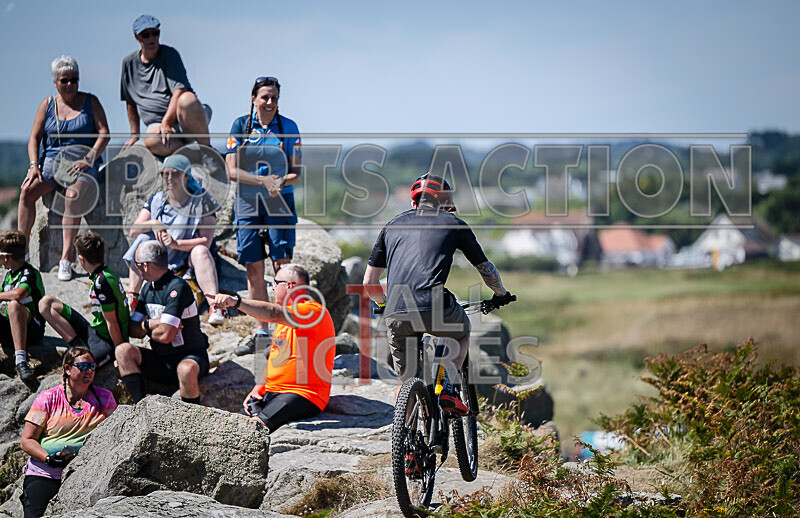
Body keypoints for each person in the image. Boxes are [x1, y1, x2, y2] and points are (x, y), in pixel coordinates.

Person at [363, 174, 514, 415]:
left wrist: (383, 303)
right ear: (445, 204)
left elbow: (369, 282)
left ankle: (406, 442)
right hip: (433, 304)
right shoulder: (454, 223)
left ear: (414, 203)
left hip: (396, 312)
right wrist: (501, 294)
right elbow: (485, 269)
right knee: (461, 332)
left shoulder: (390, 226)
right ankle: (447, 387)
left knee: (405, 382)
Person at [225, 76, 301, 353]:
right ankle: (261, 333)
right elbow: (231, 170)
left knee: (283, 269)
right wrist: (262, 182)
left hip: (280, 203)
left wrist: (279, 182)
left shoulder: (288, 127)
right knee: (253, 267)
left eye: (274, 98)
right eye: (265, 97)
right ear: (254, 99)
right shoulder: (240, 125)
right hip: (247, 204)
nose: (270, 103)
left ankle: (285, 331)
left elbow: (297, 172)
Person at [211, 264, 335, 432]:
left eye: (276, 283)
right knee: (234, 427)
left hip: (302, 395)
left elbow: (273, 313)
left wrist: (236, 302)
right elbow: (277, 359)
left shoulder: (313, 311)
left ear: (290, 285)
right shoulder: (285, 321)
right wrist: (257, 390)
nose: (273, 287)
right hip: (273, 393)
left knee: (255, 429)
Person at [19, 55, 110, 281]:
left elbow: (104, 134)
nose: (70, 84)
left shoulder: (91, 102)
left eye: (74, 79)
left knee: (72, 195)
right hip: (51, 163)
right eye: (65, 80)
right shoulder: (47, 105)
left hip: (82, 164)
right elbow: (34, 137)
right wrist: (33, 166)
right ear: (55, 83)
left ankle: (66, 259)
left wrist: (89, 158)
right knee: (27, 192)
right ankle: (22, 253)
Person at [123, 154, 224, 324]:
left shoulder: (203, 201)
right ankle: (133, 297)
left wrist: (176, 244)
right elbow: (134, 230)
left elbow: (205, 241)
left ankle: (215, 305)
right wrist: (154, 223)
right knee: (141, 239)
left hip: (187, 260)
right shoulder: (157, 200)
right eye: (166, 174)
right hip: (159, 259)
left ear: (186, 176)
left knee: (201, 251)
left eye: (175, 174)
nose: (169, 178)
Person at [19, 346, 116, 518]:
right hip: (45, 473)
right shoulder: (48, 398)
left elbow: (118, 432)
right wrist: (49, 459)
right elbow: (27, 440)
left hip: (86, 473)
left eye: (92, 366)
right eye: (84, 367)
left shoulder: (105, 398)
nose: (89, 371)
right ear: (67, 369)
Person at [116, 240, 210, 404]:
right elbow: (133, 329)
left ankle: (191, 421)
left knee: (185, 370)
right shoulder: (147, 289)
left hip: (190, 356)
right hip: (161, 359)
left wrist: (146, 326)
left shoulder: (178, 287)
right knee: (123, 351)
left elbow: (166, 335)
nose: (137, 270)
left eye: (137, 265)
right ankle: (140, 408)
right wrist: (152, 324)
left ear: (145, 266)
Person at [120, 14, 211, 157]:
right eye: (146, 35)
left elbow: (179, 91)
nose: (151, 38)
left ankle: (208, 152)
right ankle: (196, 157)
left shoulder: (170, 54)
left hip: (186, 120)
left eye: (155, 33)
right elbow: (130, 102)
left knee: (187, 99)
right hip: (157, 126)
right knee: (151, 140)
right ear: (137, 38)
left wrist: (167, 122)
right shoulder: (128, 63)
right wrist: (134, 135)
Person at [38, 232, 130, 368]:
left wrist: (120, 353)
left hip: (107, 340)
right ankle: (80, 348)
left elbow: (112, 322)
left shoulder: (102, 282)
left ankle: (85, 354)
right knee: (46, 303)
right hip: (93, 331)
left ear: (81, 259)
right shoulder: (106, 272)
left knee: (83, 367)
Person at [0, 230, 46, 389]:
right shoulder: (8, 276)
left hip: (32, 329)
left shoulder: (30, 273)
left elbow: (19, 294)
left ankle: (21, 360)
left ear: (5, 257)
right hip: (10, 328)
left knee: (14, 304)